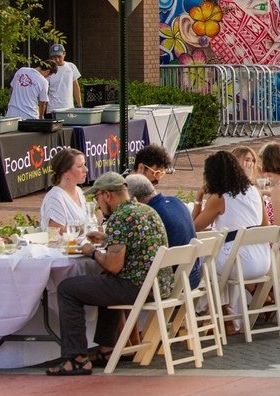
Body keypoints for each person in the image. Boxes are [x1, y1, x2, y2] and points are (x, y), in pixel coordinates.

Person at [49, 172, 168, 375]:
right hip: (156, 285)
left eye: (97, 199)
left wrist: (92, 252)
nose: (98, 205)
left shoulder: (120, 217)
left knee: (67, 289)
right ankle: (107, 349)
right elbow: (134, 243)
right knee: (105, 282)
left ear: (106, 195)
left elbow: (113, 266)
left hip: (137, 287)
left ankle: (77, 358)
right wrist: (107, 238)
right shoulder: (145, 210)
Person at [193, 150, 267, 328]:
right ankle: (227, 313)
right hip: (263, 260)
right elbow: (266, 225)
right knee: (223, 260)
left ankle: (201, 310)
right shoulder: (254, 191)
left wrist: (198, 198)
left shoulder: (219, 197)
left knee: (201, 258)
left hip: (240, 262)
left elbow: (193, 227)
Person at [126, 173, 200, 287]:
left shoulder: (150, 214)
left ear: (134, 198)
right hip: (193, 276)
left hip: (172, 283)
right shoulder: (176, 201)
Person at [40, 148, 92, 231]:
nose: (86, 169)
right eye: (80, 166)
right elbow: (55, 236)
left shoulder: (78, 191)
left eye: (84, 165)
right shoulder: (55, 199)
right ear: (66, 172)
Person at [46, 43, 83, 112]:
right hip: (52, 109)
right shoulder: (48, 69)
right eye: (54, 57)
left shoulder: (71, 66)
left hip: (68, 108)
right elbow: (45, 89)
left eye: (59, 56)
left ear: (64, 54)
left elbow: (75, 86)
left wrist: (79, 104)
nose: (57, 59)